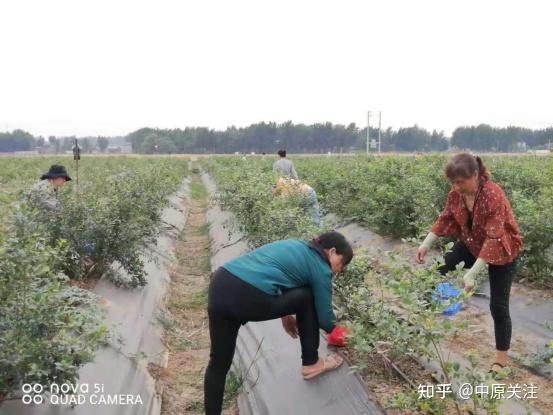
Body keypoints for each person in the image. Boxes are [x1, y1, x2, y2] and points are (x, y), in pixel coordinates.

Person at [204, 232, 353, 415]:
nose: (338, 270)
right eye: (341, 263)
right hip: (246, 295)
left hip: (220, 286)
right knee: (307, 296)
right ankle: (311, 362)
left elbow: (277, 274)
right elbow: (325, 319)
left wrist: (285, 313)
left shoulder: (294, 246)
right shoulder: (321, 268)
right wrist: (348, 335)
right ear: (332, 251)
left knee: (219, 363)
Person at [416, 153, 523, 375]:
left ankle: (500, 361)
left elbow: (494, 238)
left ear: (475, 175)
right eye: (452, 182)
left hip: (503, 249)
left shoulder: (493, 194)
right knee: (437, 271)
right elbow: (445, 218)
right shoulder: (456, 194)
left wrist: (472, 274)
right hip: (473, 243)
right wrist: (426, 244)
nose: (456, 187)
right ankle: (420, 324)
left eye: (460, 182)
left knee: (498, 306)